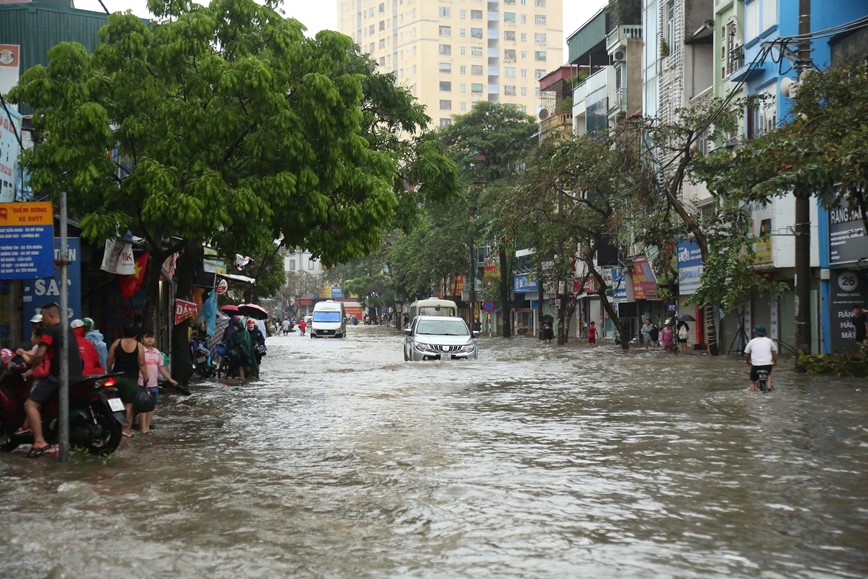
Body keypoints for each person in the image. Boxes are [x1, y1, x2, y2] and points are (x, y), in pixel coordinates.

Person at [15, 302, 84, 458]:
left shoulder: (50, 331)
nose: (42, 319)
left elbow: (39, 355)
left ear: (51, 316)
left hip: (58, 377)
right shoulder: (68, 329)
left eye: (44, 315)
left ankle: (40, 441)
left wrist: (30, 364)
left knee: (30, 404)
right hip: (76, 376)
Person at [106, 325, 149, 438]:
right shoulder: (139, 346)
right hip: (131, 380)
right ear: (136, 334)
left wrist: (109, 372)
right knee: (129, 405)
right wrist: (146, 377)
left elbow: (109, 358)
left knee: (115, 403)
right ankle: (126, 429)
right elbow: (141, 363)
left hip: (116, 378)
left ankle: (115, 428)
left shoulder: (116, 343)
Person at [138, 330, 177, 434]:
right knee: (143, 406)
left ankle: (147, 427)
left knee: (152, 405)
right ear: (142, 339)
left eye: (151, 337)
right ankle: (143, 428)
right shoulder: (140, 351)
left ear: (154, 340)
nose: (150, 339)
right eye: (147, 337)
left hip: (154, 384)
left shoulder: (157, 353)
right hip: (142, 383)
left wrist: (170, 379)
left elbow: (161, 368)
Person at [744, 325, 778, 392]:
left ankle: (753, 395)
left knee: (752, 382)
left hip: (755, 365)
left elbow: (746, 354)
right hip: (767, 365)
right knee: (769, 374)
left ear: (756, 333)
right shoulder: (769, 341)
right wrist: (775, 362)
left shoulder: (752, 341)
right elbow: (774, 353)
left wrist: (747, 362)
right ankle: (768, 386)